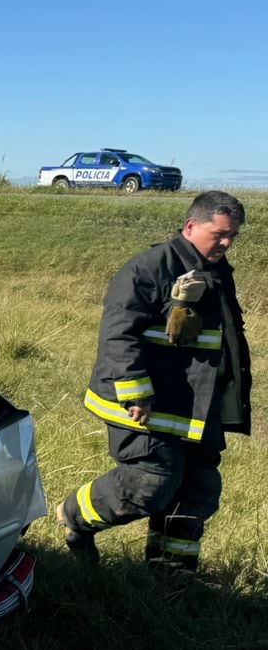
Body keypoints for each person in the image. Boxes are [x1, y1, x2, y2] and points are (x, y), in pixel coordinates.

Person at [56, 191, 251, 570]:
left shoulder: (217, 272)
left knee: (197, 490)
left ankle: (171, 578)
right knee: (151, 483)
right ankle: (73, 517)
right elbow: (118, 337)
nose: (227, 244)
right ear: (191, 226)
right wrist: (136, 394)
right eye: (220, 234)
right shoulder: (148, 269)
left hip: (194, 405)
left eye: (234, 237)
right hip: (146, 405)